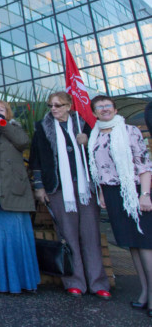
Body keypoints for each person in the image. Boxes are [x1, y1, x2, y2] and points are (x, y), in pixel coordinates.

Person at [29, 92, 110, 299]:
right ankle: (75, 281)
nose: (53, 108)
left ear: (68, 106)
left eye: (58, 105)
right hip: (58, 188)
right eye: (50, 105)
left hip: (85, 188)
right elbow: (35, 159)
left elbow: (101, 154)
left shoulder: (82, 124)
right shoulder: (42, 127)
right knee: (68, 236)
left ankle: (98, 282)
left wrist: (87, 141)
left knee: (90, 235)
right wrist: (39, 187)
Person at [88, 95, 152, 316]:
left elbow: (143, 163)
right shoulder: (94, 135)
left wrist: (145, 194)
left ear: (114, 109)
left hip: (133, 189)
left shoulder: (129, 131)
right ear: (95, 113)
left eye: (108, 106)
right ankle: (144, 292)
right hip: (112, 193)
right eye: (99, 107)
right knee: (131, 243)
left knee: (145, 243)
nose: (104, 109)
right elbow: (98, 169)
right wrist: (101, 193)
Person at [0, 100, 39, 293]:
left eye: (1, 110)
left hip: (14, 190)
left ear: (7, 113)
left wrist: (4, 125)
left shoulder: (15, 128)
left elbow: (22, 143)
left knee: (17, 236)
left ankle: (24, 282)